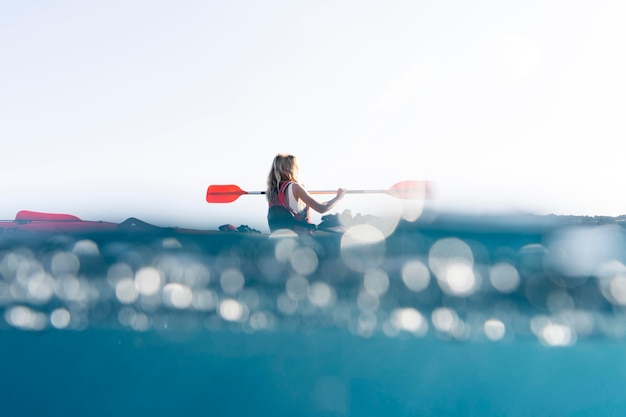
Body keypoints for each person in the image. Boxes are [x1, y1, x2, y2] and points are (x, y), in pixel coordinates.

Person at [266, 153, 346, 232]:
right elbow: (322, 208)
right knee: (341, 228)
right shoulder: (295, 187)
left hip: (283, 236)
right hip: (303, 236)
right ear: (291, 169)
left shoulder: (272, 191)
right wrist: (338, 197)